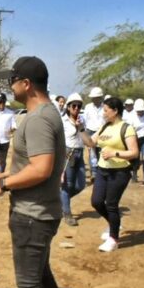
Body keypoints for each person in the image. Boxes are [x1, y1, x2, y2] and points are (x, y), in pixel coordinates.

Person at [0, 56, 72, 288]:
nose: (9, 87)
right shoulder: (47, 113)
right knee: (42, 275)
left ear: (26, 84)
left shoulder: (37, 119)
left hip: (32, 215)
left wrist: (5, 184)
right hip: (41, 212)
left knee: (29, 287)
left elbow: (41, 168)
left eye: (13, 81)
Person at [78, 97, 139, 252]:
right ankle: (114, 224)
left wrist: (115, 153)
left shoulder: (127, 128)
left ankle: (113, 239)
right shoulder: (104, 126)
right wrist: (80, 129)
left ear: (115, 111)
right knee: (97, 202)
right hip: (102, 170)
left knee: (111, 204)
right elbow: (91, 143)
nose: (103, 113)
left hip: (120, 172)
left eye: (106, 110)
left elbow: (134, 152)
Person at [60, 93, 87, 227]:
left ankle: (61, 201)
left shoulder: (82, 120)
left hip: (80, 152)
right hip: (68, 153)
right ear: (68, 107)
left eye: (79, 106)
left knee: (81, 184)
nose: (76, 108)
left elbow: (84, 136)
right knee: (68, 184)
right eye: (74, 106)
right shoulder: (63, 121)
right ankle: (67, 213)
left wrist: (80, 127)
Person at [83, 87, 105, 180]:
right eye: (93, 98)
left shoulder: (105, 107)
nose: (94, 99)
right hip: (90, 131)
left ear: (100, 97)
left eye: (96, 97)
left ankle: (101, 171)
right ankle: (94, 173)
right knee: (92, 153)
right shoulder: (88, 107)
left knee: (101, 152)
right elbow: (84, 120)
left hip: (101, 132)